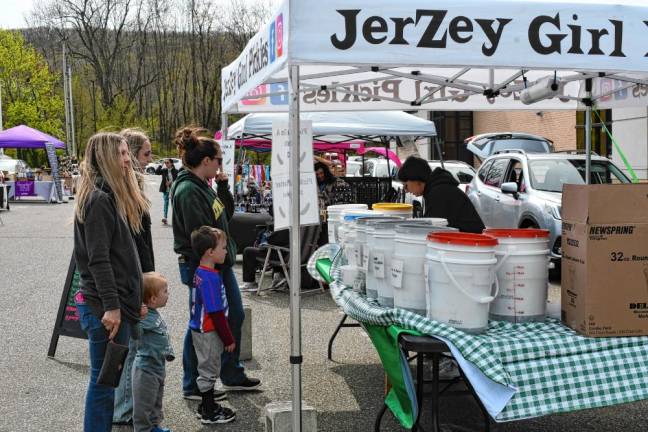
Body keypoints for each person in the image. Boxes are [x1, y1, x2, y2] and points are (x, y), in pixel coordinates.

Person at [171, 127, 261, 400]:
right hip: (206, 267)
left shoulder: (203, 186)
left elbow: (225, 215)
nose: (221, 163)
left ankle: (229, 374)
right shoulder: (188, 190)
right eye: (219, 159)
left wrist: (223, 186)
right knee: (201, 324)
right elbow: (202, 238)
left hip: (216, 264)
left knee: (231, 315)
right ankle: (193, 384)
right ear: (206, 160)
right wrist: (213, 267)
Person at [73, 132, 149, 432]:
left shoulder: (108, 195)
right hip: (105, 309)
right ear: (104, 158)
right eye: (120, 154)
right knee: (103, 382)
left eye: (127, 153)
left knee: (107, 380)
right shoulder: (99, 200)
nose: (127, 159)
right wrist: (113, 307)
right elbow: (98, 260)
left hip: (114, 304)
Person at [113, 128, 155, 426]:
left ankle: (125, 407)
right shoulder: (120, 193)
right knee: (132, 347)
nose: (147, 159)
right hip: (132, 280)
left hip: (139, 276)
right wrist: (142, 281)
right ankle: (123, 410)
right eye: (146, 154)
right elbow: (130, 243)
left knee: (134, 345)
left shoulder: (133, 188)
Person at [189, 226, 237, 424]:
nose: (226, 251)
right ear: (210, 252)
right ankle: (209, 411)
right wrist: (228, 338)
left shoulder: (202, 271)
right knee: (208, 371)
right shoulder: (209, 278)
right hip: (208, 331)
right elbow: (215, 312)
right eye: (223, 248)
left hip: (201, 329)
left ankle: (205, 404)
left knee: (206, 368)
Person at [132, 272, 175, 432]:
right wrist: (137, 318)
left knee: (156, 400)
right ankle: (143, 429)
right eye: (165, 291)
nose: (168, 293)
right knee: (144, 404)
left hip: (157, 365)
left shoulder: (153, 313)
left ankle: (154, 426)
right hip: (146, 368)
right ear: (152, 299)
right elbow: (134, 334)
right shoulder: (143, 318)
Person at [398, 156, 485, 233]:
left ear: (416, 179)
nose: (406, 190)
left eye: (406, 185)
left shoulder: (439, 193)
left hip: (471, 243)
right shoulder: (436, 189)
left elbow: (430, 229)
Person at [155, 159, 178, 225]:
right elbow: (156, 172)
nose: (166, 164)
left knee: (174, 204)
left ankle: (176, 219)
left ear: (171, 163)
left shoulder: (176, 171)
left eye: (167, 163)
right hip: (166, 189)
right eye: (165, 163)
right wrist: (161, 164)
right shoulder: (164, 170)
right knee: (166, 203)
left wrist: (171, 182)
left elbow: (177, 179)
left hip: (173, 189)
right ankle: (165, 218)